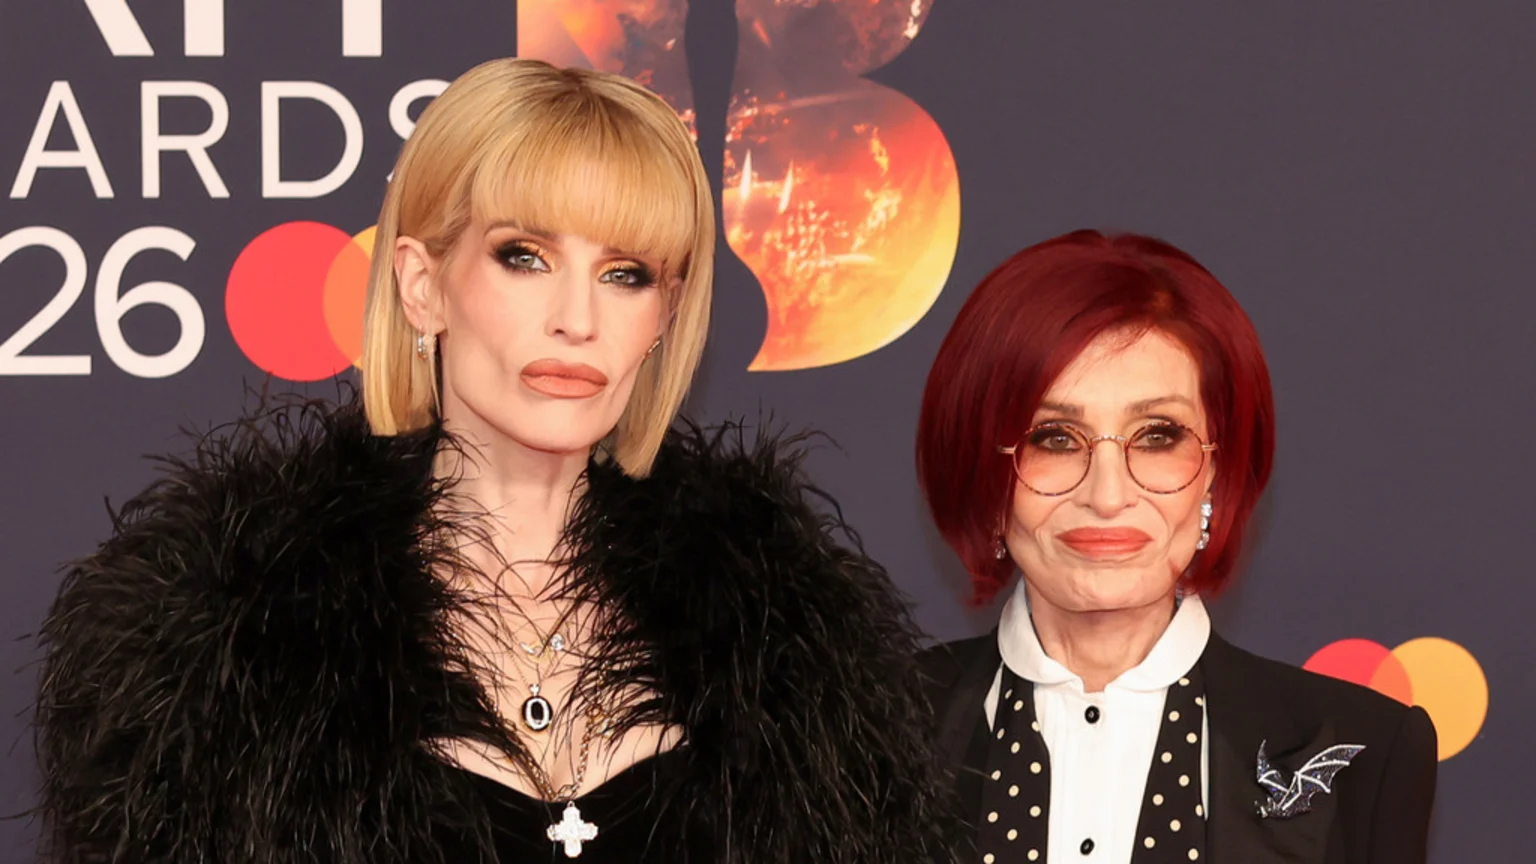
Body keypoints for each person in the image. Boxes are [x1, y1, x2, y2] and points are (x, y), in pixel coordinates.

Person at [35, 58, 949, 864]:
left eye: (625, 273)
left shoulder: (789, 644)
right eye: (525, 256)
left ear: (665, 318)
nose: (577, 319)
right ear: (422, 284)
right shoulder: (231, 637)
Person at [915, 230, 1437, 864]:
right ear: (986, 475)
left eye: (1158, 435)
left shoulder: (1366, 751)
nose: (1107, 494)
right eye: (1054, 438)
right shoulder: (850, 731)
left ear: (1218, 470)